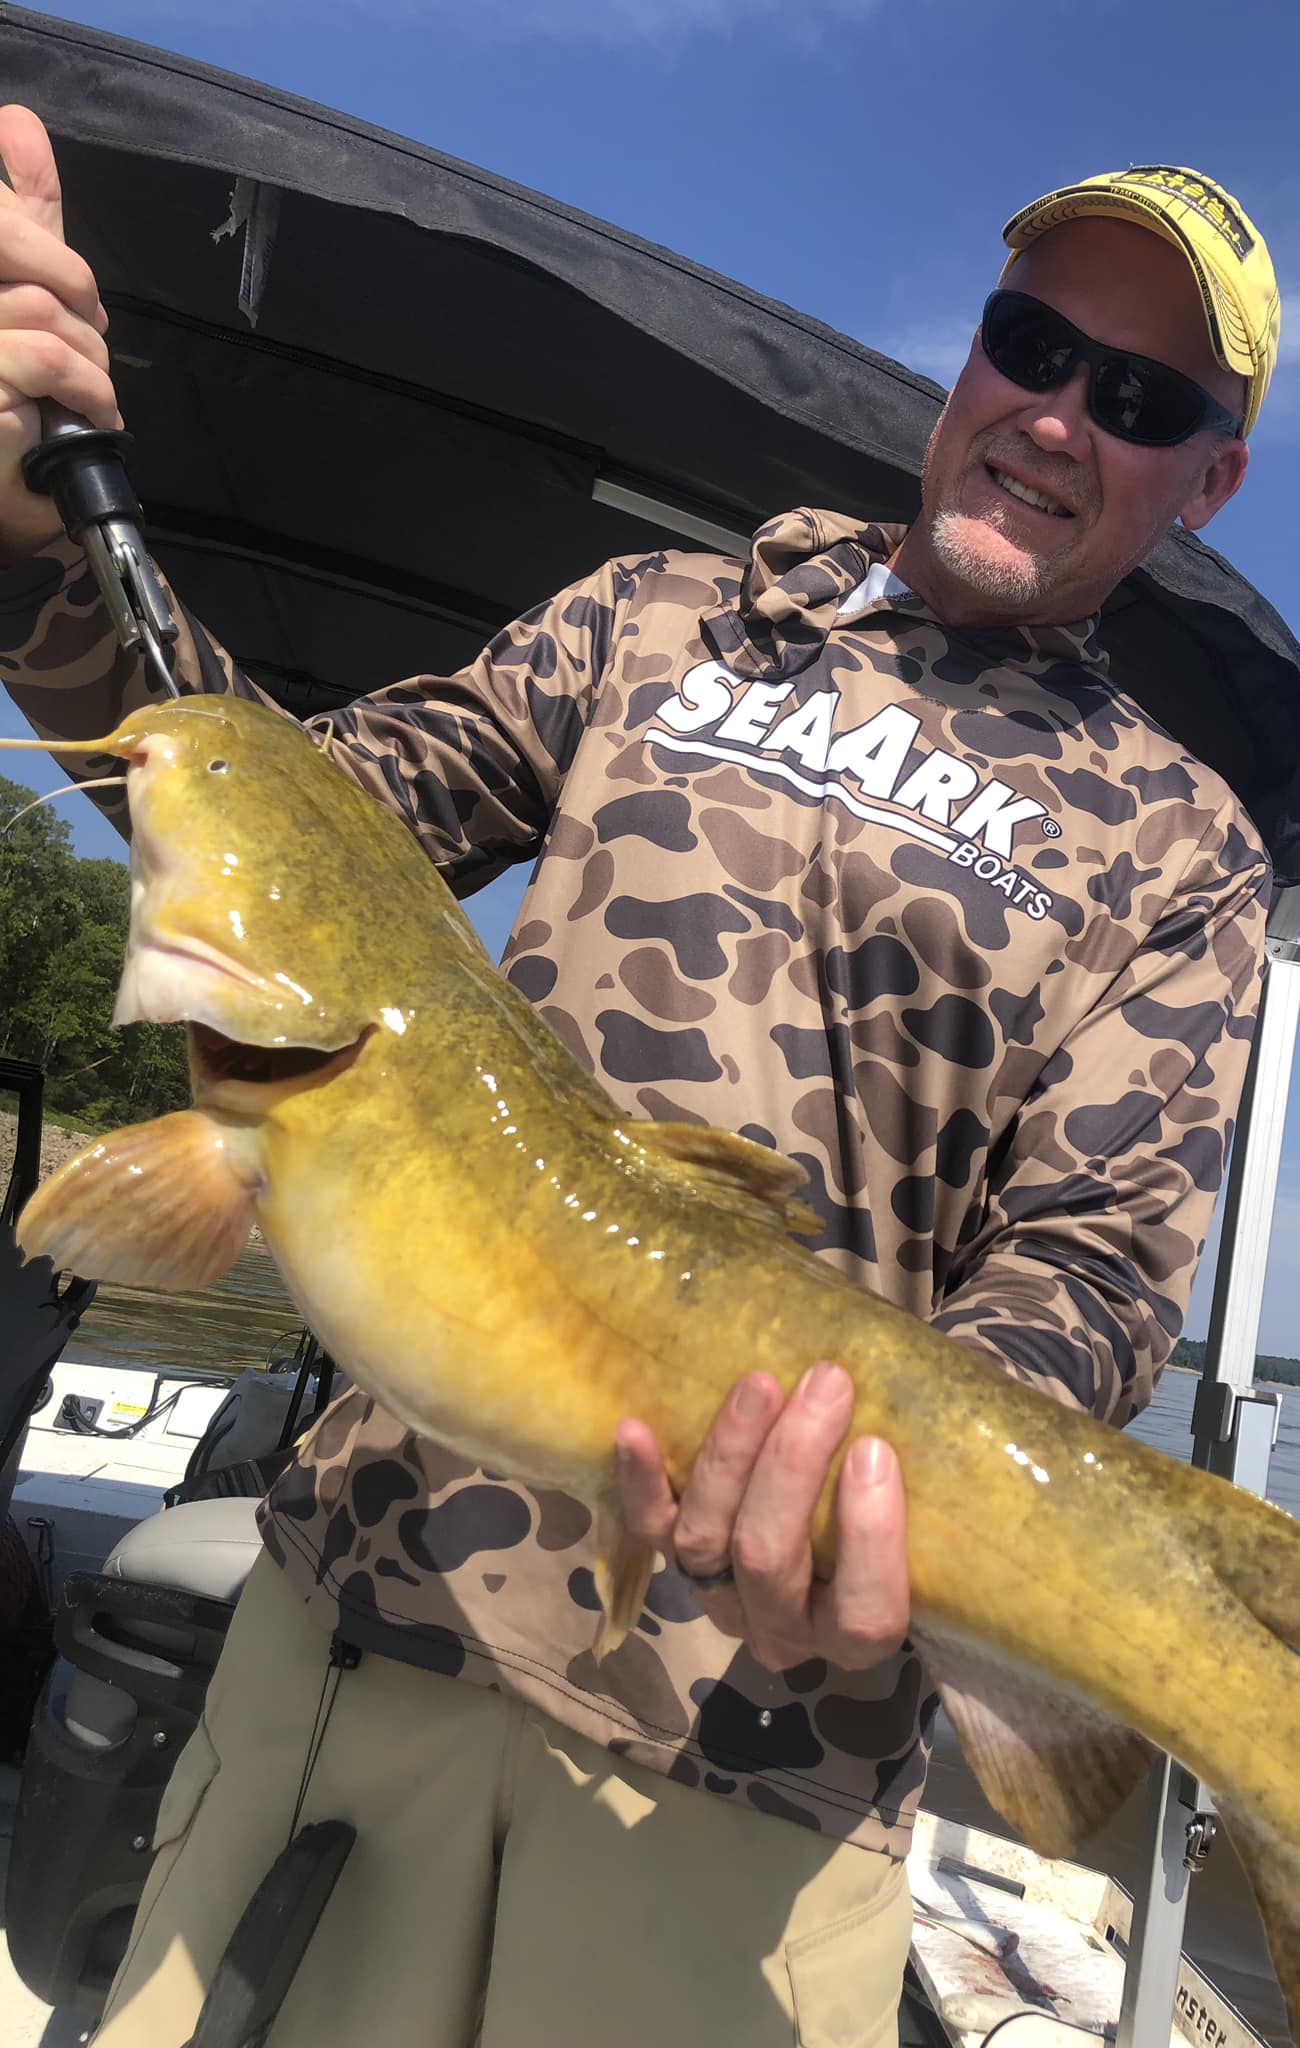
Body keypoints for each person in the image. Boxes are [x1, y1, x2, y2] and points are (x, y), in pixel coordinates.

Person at [0, 105, 1282, 2047]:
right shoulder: (649, 617)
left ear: (1205, 481)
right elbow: (298, 820)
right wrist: (36, 525)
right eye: (1029, 346)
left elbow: (1092, 1289)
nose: (1052, 412)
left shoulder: (1181, 849)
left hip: (746, 1790)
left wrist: (864, 1539)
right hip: (351, 1640)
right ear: (970, 356)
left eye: (1134, 393)